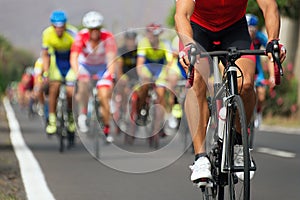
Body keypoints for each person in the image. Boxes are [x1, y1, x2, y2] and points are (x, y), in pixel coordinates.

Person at [174, 0, 286, 186]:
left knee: (246, 84)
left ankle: (239, 146)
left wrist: (273, 40)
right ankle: (200, 157)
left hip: (234, 29)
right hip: (198, 29)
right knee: (197, 81)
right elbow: (182, 14)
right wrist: (188, 45)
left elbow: (269, 6)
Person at [70, 11, 117, 143]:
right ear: (88, 29)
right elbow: (74, 57)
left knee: (104, 96)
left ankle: (107, 129)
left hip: (102, 67)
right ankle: (83, 114)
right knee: (83, 84)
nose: (95, 32)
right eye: (92, 29)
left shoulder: (107, 36)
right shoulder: (80, 36)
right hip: (85, 66)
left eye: (97, 29)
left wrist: (110, 76)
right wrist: (77, 74)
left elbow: (111, 58)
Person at [41, 10, 77, 136]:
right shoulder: (47, 34)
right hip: (56, 64)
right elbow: (45, 55)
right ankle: (52, 120)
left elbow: (77, 54)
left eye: (61, 27)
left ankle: (71, 117)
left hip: (70, 63)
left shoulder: (73, 33)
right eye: (56, 27)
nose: (59, 30)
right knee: (54, 87)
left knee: (70, 92)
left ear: (65, 25)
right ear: (52, 26)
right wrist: (46, 73)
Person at [135, 23, 173, 131]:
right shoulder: (143, 43)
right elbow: (140, 63)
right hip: (147, 67)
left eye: (155, 35)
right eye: (150, 34)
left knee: (161, 93)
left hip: (160, 69)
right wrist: (142, 75)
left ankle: (160, 122)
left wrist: (167, 74)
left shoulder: (164, 44)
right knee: (144, 87)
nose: (152, 37)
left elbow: (169, 62)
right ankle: (141, 109)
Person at [246, 13, 275, 127]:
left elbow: (271, 54)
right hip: (244, 67)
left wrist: (272, 75)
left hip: (257, 69)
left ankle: (258, 111)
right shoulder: (240, 36)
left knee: (261, 94)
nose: (250, 32)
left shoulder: (259, 37)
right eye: (247, 29)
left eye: (252, 29)